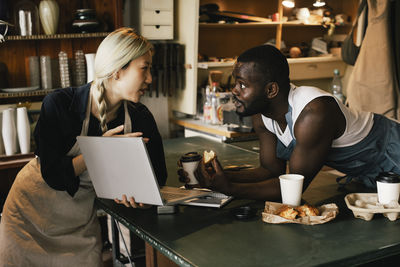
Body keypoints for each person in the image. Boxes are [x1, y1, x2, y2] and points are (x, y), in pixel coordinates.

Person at [0, 27, 167, 266]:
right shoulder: (58, 104)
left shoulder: (140, 117)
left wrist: (141, 195)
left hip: (78, 225)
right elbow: (54, 175)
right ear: (118, 71)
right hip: (28, 217)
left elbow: (158, 177)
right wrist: (98, 152)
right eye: (145, 68)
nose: (150, 78)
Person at [188, 44, 400, 201]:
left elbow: (293, 189)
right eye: (235, 82)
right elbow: (270, 171)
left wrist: (230, 188)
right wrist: (217, 176)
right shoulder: (261, 115)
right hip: (367, 172)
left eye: (242, 85)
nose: (234, 90)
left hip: (393, 152)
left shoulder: (314, 113)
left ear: (271, 90)